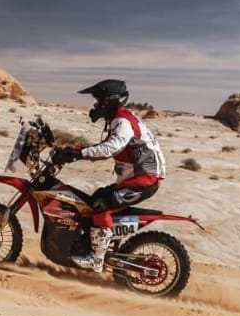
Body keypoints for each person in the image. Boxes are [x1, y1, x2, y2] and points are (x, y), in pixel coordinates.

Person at [51, 79, 166, 273]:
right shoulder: (118, 119)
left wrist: (78, 154)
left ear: (110, 100)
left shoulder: (122, 121)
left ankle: (96, 259)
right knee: (96, 198)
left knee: (101, 205)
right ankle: (92, 244)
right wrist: (74, 152)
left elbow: (111, 148)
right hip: (136, 178)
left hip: (144, 179)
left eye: (98, 100)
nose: (96, 105)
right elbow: (106, 148)